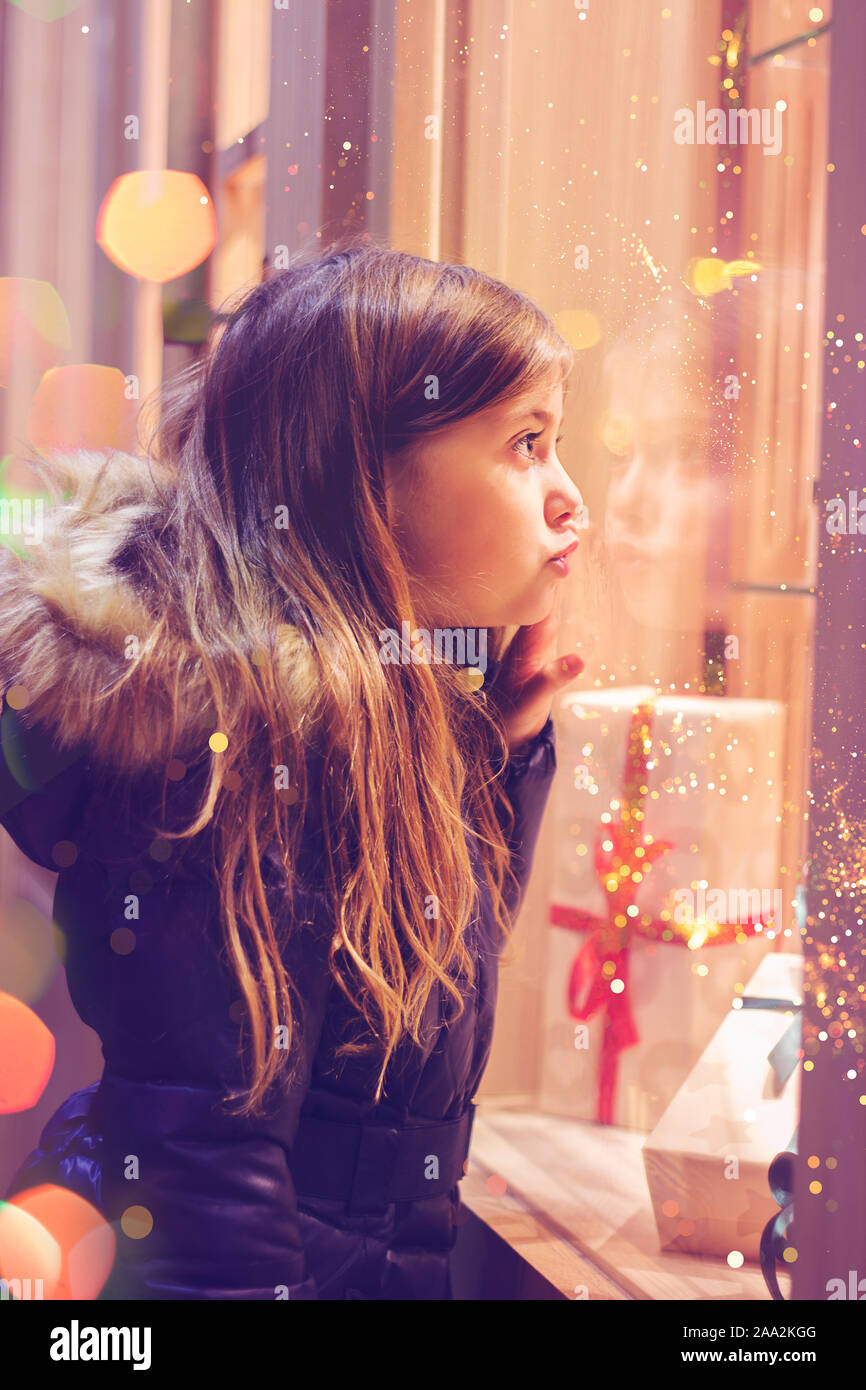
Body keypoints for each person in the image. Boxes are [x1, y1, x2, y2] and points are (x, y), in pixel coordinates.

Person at [0, 239, 585, 1300]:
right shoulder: (242, 757)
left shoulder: (384, 716)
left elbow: (403, 1008)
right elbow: (206, 1168)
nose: (567, 498)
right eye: (525, 444)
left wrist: (495, 760)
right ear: (366, 477)